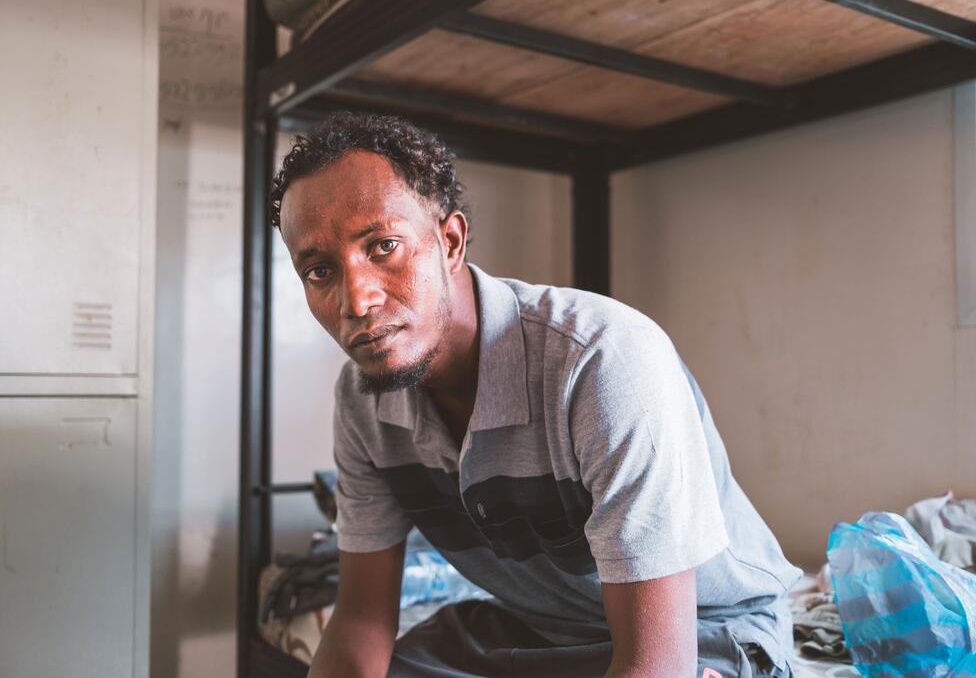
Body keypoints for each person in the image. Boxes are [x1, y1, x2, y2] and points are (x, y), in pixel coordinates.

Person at [271, 111, 802, 678]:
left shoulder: (601, 361)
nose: (357, 300)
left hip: (705, 631)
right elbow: (360, 623)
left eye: (383, 247)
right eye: (321, 271)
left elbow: (658, 665)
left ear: (450, 242)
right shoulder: (362, 403)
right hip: (541, 627)